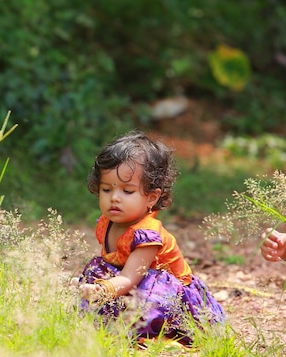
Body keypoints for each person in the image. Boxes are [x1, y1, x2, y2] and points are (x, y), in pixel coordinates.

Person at [75, 132, 225, 344]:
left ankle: (151, 333)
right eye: (106, 189)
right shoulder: (106, 224)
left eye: (128, 191)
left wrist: (102, 289)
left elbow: (129, 278)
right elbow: (112, 265)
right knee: (98, 271)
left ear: (151, 198)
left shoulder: (147, 235)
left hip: (166, 291)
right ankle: (109, 321)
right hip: (131, 281)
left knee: (146, 299)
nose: (114, 197)